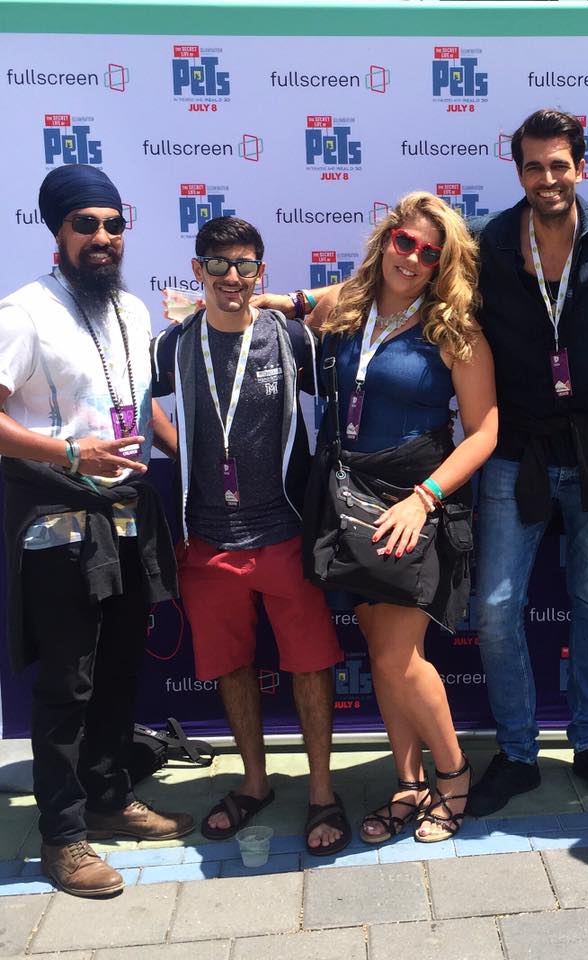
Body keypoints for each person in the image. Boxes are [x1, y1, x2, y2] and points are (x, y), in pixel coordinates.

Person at [460, 109, 588, 816]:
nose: (547, 178)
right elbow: (397, 283)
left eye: (559, 165)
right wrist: (295, 301)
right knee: (494, 609)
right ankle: (517, 753)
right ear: (517, 171)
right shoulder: (485, 243)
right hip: (513, 449)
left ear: (581, 166)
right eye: (533, 166)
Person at [0, 165, 190, 898]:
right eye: (86, 224)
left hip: (127, 517)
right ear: (57, 232)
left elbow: (140, 406)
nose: (103, 237)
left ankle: (109, 799)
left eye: (114, 224)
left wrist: (187, 454)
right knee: (68, 683)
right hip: (56, 522)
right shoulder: (23, 312)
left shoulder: (132, 310)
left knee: (119, 667)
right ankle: (63, 835)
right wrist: (71, 453)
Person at [151, 216, 349, 855]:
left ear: (261, 271)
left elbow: (358, 332)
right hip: (208, 539)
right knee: (232, 666)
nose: (231, 277)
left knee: (311, 664)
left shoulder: (292, 338)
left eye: (244, 265)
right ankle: (255, 783)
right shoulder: (174, 345)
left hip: (286, 531)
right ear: (197, 269)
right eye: (218, 264)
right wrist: (182, 452)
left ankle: (322, 792)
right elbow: (130, 397)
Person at [307, 191, 496, 843]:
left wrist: (424, 499)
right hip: (348, 497)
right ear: (386, 238)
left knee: (394, 658)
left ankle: (453, 775)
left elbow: (484, 431)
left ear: (445, 264)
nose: (412, 258)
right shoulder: (345, 307)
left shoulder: (456, 331)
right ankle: (408, 783)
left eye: (429, 253)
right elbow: (293, 305)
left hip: (412, 500)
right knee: (386, 652)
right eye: (404, 241)